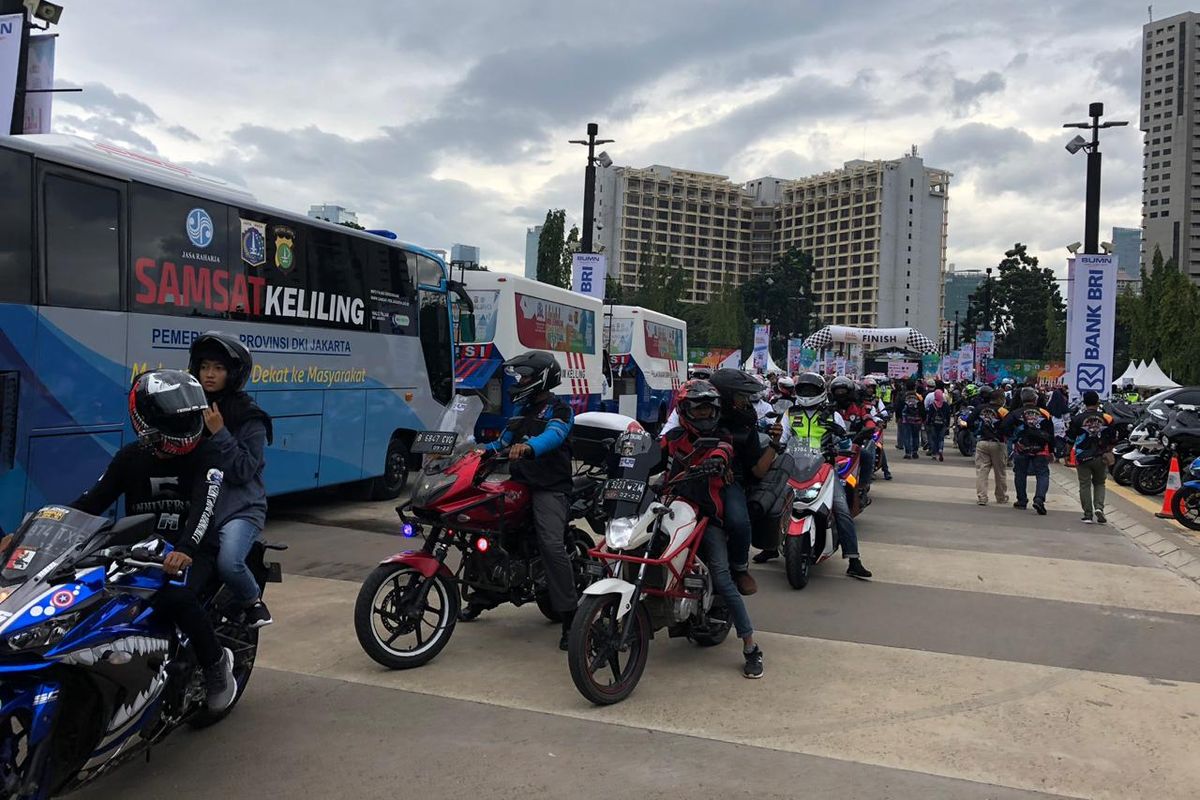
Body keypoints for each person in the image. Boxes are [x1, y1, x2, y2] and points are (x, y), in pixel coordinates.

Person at [70, 370, 237, 711]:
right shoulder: (130, 458)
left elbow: (205, 508)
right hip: (136, 552)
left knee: (176, 598)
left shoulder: (207, 456)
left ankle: (216, 664)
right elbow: (91, 503)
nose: (186, 429)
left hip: (192, 549)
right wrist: (40, 528)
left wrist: (186, 549)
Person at [661, 379, 764, 679]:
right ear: (685, 410)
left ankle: (750, 646)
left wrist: (714, 463)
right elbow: (654, 453)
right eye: (699, 410)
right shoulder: (674, 436)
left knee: (722, 575)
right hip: (672, 508)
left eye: (709, 410)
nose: (705, 416)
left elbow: (723, 453)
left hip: (707, 515)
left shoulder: (721, 438)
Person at [480, 351, 578, 649]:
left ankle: (572, 617)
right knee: (484, 527)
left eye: (524, 376)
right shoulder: (520, 411)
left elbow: (554, 436)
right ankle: (483, 592)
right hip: (519, 483)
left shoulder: (560, 410)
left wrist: (529, 447)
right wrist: (473, 451)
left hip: (549, 486)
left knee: (550, 544)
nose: (519, 381)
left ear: (541, 379)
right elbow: (501, 443)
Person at [188, 332, 274, 628]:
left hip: (238, 510)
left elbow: (243, 470)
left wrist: (220, 432)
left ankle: (253, 603)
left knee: (229, 563)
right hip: (199, 508)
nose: (209, 374)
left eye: (219, 368)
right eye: (204, 367)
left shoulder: (249, 417)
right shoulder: (189, 408)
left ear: (232, 373)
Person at [753, 372, 872, 578]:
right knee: (773, 504)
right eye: (804, 389)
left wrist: (842, 436)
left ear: (820, 392)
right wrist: (775, 443)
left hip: (824, 467)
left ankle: (853, 559)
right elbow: (782, 438)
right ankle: (771, 547)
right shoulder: (790, 414)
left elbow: (844, 444)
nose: (807, 393)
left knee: (842, 510)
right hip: (792, 466)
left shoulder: (832, 415)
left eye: (811, 390)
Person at [708, 368, 779, 595]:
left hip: (729, 483)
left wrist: (775, 444)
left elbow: (757, 471)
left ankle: (740, 568)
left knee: (739, 521)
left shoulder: (745, 430)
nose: (746, 402)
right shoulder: (696, 417)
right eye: (741, 397)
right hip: (692, 479)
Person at [1067, 391, 1117, 524]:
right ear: (1097, 402)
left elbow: (1070, 438)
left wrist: (1067, 455)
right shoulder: (1108, 418)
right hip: (1101, 456)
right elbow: (1113, 439)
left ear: (1084, 402)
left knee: (1084, 485)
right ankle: (1099, 508)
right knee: (1100, 483)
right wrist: (1109, 451)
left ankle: (1088, 514)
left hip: (1083, 456)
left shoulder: (1078, 419)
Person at [1005, 387, 1055, 515]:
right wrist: (1051, 451)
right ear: (1035, 399)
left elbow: (1004, 427)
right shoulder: (1045, 413)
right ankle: (1039, 499)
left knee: (1020, 473)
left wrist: (1014, 440)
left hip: (1021, 449)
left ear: (1022, 399)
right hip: (1041, 450)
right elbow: (1051, 433)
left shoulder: (1015, 413)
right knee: (1042, 474)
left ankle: (1021, 500)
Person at [829, 376, 878, 496]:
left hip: (853, 442)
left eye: (843, 391)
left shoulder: (858, 407)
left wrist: (869, 427)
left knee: (866, 456)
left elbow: (868, 418)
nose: (840, 394)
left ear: (850, 391)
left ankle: (862, 485)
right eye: (837, 391)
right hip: (831, 443)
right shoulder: (828, 408)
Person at [967, 387, 1010, 506]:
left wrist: (976, 431)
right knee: (1000, 472)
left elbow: (969, 421)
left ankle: (982, 497)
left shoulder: (980, 408)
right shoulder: (1003, 411)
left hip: (982, 442)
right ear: (1000, 399)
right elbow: (1009, 427)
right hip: (998, 443)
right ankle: (1001, 497)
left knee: (982, 471)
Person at [897, 385, 925, 459]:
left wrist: (898, 417)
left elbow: (899, 407)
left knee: (907, 436)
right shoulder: (919, 397)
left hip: (906, 419)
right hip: (917, 420)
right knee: (916, 436)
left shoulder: (903, 396)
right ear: (914, 388)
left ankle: (908, 453)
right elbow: (922, 408)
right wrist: (923, 418)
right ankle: (915, 452)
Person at [927, 387, 952, 461]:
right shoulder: (946, 405)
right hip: (943, 424)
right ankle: (940, 450)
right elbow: (948, 416)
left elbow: (929, 415)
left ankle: (934, 454)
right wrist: (947, 425)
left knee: (934, 439)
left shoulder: (932, 405)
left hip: (934, 424)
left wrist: (928, 423)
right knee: (941, 439)